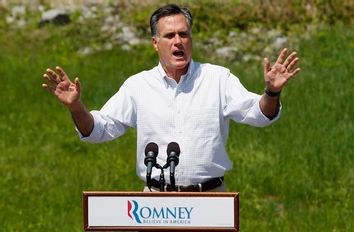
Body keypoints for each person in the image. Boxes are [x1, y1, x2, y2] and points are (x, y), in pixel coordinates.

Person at [42, 4, 300, 192]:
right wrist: (76, 107)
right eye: (169, 36)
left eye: (184, 34)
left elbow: (259, 114)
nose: (178, 41)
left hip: (210, 200)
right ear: (155, 43)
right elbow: (99, 130)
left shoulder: (217, 79)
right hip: (156, 203)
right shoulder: (138, 85)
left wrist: (272, 92)